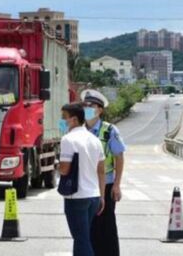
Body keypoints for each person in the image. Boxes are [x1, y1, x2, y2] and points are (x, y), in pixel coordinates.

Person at [83, 90, 126, 256]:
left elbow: (119, 157)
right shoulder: (78, 129)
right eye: (85, 105)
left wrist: (117, 185)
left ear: (100, 110)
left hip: (106, 185)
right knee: (88, 226)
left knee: (106, 226)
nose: (87, 108)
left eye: (91, 106)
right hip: (85, 185)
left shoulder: (109, 130)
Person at [59, 102, 106, 256]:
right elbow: (101, 171)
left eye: (64, 117)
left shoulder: (68, 139)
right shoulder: (95, 140)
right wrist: (102, 196)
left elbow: (64, 169)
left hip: (76, 196)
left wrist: (57, 166)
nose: (62, 121)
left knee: (81, 239)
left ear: (73, 119)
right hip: (93, 195)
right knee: (83, 238)